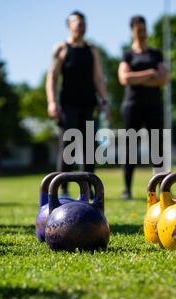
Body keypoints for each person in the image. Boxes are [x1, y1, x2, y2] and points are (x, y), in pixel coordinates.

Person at [46, 11, 110, 197]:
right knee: (67, 148)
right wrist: (52, 102)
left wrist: (104, 101)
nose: (81, 26)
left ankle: (87, 188)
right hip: (67, 106)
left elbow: (98, 78)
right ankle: (62, 190)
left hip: (88, 104)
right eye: (77, 23)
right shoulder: (62, 48)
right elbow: (52, 77)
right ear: (69, 25)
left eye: (83, 23)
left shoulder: (92, 49)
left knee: (90, 148)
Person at [118, 16, 169, 200]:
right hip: (132, 105)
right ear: (132, 30)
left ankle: (162, 187)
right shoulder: (127, 54)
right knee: (131, 148)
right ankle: (127, 189)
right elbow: (124, 78)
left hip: (153, 106)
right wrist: (149, 74)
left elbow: (163, 79)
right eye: (138, 29)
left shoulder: (155, 54)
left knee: (157, 148)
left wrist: (137, 78)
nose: (141, 32)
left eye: (143, 28)